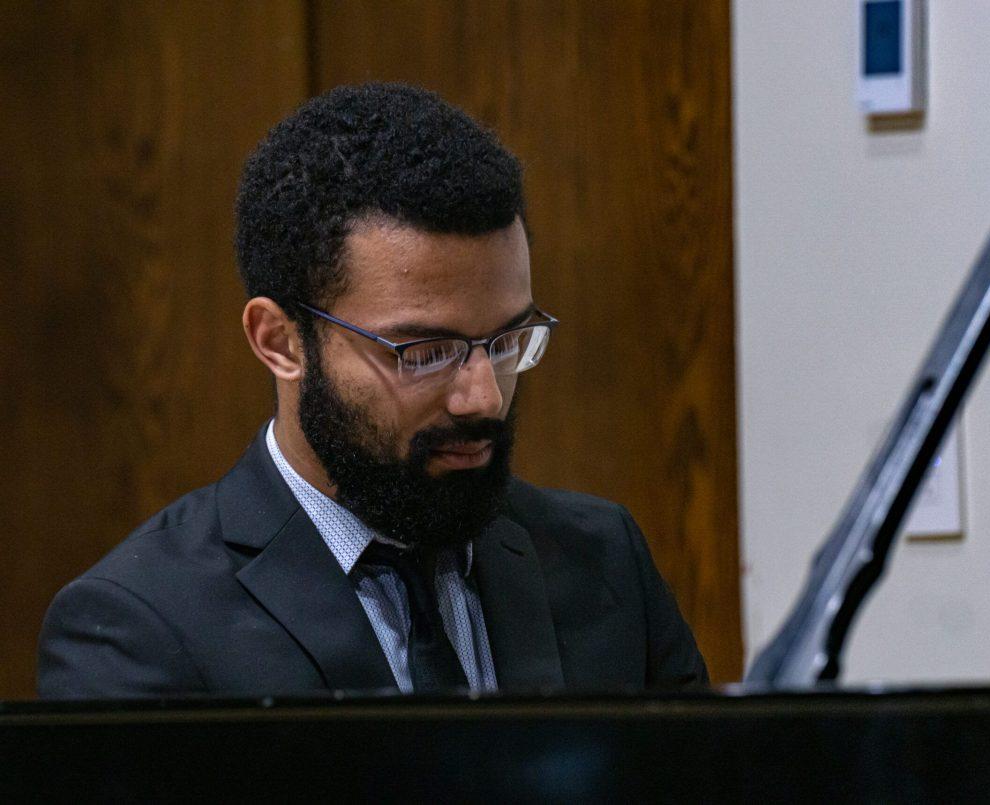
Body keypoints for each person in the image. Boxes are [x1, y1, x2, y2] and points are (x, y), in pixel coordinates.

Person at [37, 84, 708, 698]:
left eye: (505, 341)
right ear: (279, 340)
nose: (482, 398)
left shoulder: (604, 559)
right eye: (425, 352)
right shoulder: (140, 625)